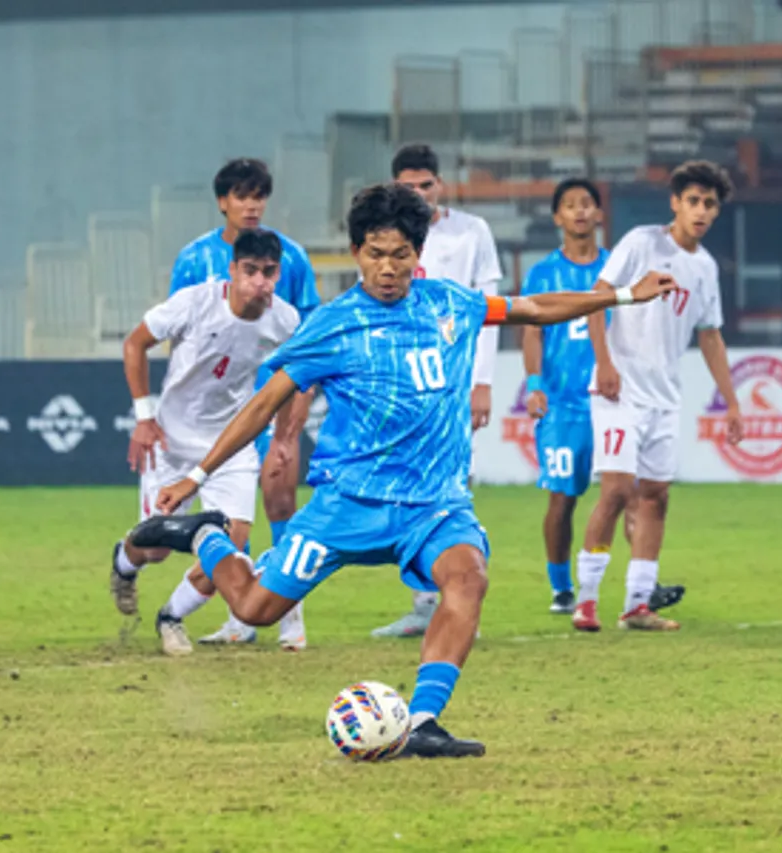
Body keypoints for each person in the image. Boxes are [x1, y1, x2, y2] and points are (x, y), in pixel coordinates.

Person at [125, 183, 675, 757]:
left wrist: (623, 297)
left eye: (400, 255)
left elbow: (533, 307)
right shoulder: (332, 325)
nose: (387, 268)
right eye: (374, 254)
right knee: (256, 609)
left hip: (433, 504)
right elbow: (263, 403)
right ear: (357, 253)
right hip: (348, 504)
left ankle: (422, 722)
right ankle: (205, 535)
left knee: (468, 579)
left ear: (418, 255)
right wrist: (198, 477)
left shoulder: (450, 304)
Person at [111, 230, 302, 655]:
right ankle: (123, 564)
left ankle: (171, 616)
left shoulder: (285, 321)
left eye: (269, 272)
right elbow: (135, 343)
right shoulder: (195, 303)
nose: (260, 282)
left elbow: (294, 380)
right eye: (250, 271)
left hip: (231, 445)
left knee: (230, 548)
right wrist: (144, 418)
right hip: (171, 443)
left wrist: (284, 440)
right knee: (156, 549)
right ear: (232, 271)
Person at [574, 160, 744, 633]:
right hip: (620, 388)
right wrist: (604, 362)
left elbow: (710, 336)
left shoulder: (705, 268)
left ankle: (636, 605)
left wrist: (731, 401)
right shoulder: (641, 243)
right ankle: (585, 600)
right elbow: (597, 297)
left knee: (655, 496)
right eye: (693, 201)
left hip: (665, 395)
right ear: (675, 203)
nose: (701, 211)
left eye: (710, 204)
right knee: (616, 491)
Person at [167, 157, 319, 647]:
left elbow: (308, 336)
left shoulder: (288, 257)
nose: (251, 205)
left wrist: (290, 428)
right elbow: (179, 335)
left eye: (259, 196)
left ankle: (291, 614)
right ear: (222, 202)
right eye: (241, 196)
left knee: (278, 499)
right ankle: (241, 614)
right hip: (212, 412)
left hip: (271, 401)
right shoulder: (193, 259)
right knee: (228, 517)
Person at [523, 179, 687, 618]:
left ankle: (642, 587)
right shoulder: (542, 273)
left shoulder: (623, 262)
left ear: (599, 214)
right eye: (570, 206)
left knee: (629, 492)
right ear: (557, 217)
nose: (579, 212)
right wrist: (534, 383)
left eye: (587, 205)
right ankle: (562, 588)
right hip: (564, 402)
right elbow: (532, 330)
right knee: (564, 497)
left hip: (619, 395)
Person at [372, 142, 503, 639]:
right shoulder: (388, 237)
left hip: (452, 383)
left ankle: (457, 595)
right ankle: (427, 603)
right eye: (409, 187)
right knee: (407, 486)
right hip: (402, 380)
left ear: (441, 185)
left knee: (451, 487)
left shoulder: (471, 233)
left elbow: (489, 312)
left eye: (426, 185)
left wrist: (482, 382)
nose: (420, 194)